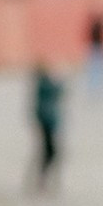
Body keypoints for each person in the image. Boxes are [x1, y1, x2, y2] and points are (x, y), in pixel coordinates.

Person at [31, 63, 63, 192]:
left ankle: (43, 180)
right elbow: (58, 91)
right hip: (48, 125)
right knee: (49, 153)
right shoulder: (44, 86)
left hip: (48, 124)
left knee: (47, 154)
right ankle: (42, 180)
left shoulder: (42, 86)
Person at [83, 12, 103, 97]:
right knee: (97, 69)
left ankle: (95, 88)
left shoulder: (95, 27)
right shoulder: (97, 27)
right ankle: (96, 88)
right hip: (97, 48)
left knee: (96, 70)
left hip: (96, 48)